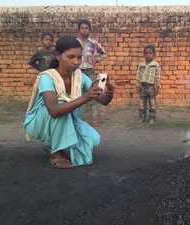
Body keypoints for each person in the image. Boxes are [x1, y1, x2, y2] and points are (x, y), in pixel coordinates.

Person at [23, 36, 115, 169]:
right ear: (58, 56)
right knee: (61, 107)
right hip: (40, 121)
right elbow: (54, 111)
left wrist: (110, 92)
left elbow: (103, 100)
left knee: (93, 139)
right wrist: (85, 97)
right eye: (71, 57)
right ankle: (56, 153)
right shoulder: (47, 77)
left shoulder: (79, 77)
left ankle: (56, 143)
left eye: (79, 57)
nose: (76, 62)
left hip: (66, 120)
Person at [77, 19, 107, 127]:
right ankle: (76, 118)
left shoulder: (94, 43)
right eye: (82, 28)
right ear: (79, 30)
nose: (84, 30)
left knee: (94, 94)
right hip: (77, 72)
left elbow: (104, 54)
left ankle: (96, 119)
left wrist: (97, 60)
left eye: (86, 28)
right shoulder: (75, 43)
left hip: (90, 72)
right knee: (77, 95)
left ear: (89, 30)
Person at [136, 45, 161, 125]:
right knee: (141, 103)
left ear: (154, 54)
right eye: (146, 53)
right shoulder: (141, 65)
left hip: (151, 87)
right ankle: (142, 117)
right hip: (143, 87)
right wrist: (137, 86)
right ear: (144, 54)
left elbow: (158, 76)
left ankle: (152, 118)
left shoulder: (156, 65)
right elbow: (138, 76)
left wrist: (157, 87)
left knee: (152, 103)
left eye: (150, 53)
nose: (148, 54)